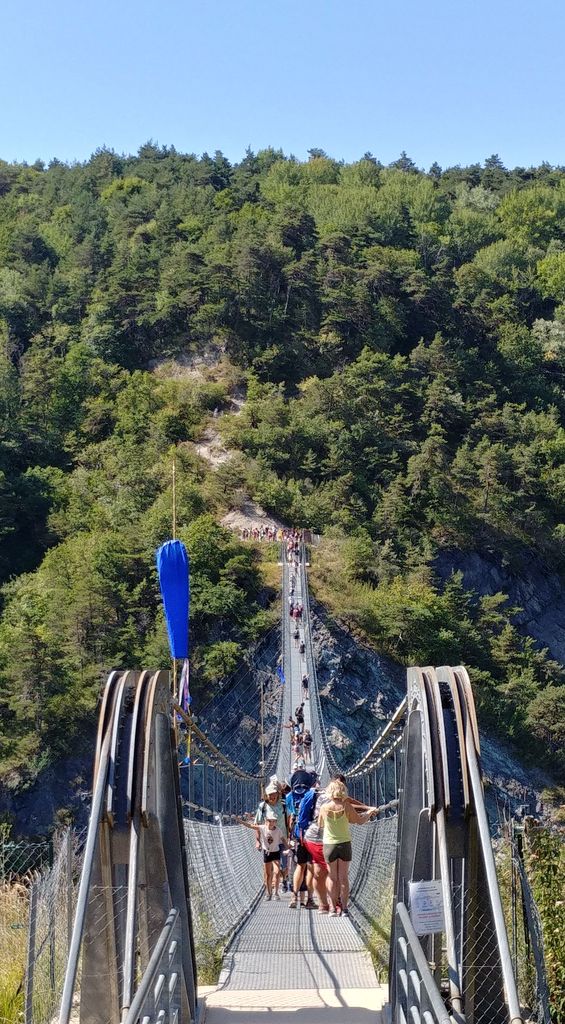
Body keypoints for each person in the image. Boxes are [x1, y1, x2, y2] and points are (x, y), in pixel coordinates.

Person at [318, 779, 376, 916]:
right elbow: (360, 821)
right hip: (344, 844)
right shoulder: (347, 806)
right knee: (343, 878)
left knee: (332, 877)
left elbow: (320, 824)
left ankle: (332, 908)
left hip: (329, 844)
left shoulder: (324, 808)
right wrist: (369, 812)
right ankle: (344, 909)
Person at [238, 809, 288, 900]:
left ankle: (276, 893)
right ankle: (268, 893)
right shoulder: (262, 828)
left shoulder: (278, 830)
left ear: (276, 822)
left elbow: (283, 840)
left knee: (276, 873)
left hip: (275, 852)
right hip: (267, 853)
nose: (271, 823)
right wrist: (240, 821)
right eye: (269, 821)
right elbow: (250, 826)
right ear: (266, 821)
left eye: (273, 821)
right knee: (268, 874)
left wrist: (288, 848)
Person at [298, 782, 330, 913]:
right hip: (319, 838)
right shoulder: (327, 798)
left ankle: (322, 904)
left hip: (308, 836)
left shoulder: (314, 796)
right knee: (328, 871)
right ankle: (329, 904)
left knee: (316, 870)